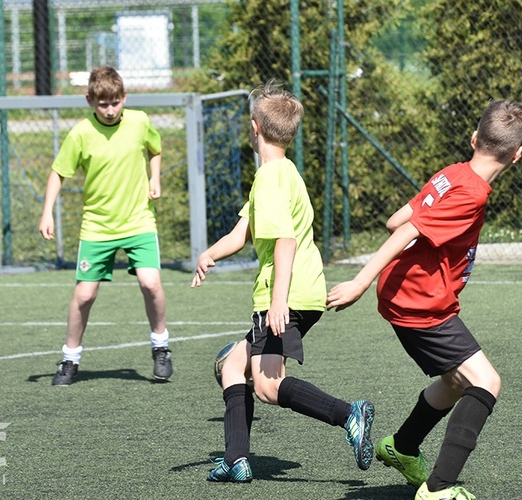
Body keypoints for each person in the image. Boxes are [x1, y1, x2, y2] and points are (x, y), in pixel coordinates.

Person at [327, 99, 522, 499]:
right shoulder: (470, 193)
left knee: (455, 382)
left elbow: (396, 220)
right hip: (420, 304)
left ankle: (401, 447)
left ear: (474, 139)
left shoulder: (452, 174)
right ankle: (439, 489)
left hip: (407, 295)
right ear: (517, 155)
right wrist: (359, 281)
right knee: (487, 381)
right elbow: (405, 233)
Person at [191, 80, 375, 483]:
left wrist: (277, 303)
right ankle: (237, 459)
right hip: (298, 291)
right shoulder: (280, 173)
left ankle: (349, 414)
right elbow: (243, 233)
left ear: (254, 127)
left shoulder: (271, 177)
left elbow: (285, 241)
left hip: (284, 295)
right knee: (233, 364)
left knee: (269, 387)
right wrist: (209, 254)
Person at [39, 66, 173, 385]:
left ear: (124, 98)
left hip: (138, 219)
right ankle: (69, 360)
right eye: (103, 104)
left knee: (150, 284)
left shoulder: (140, 121)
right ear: (89, 101)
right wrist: (47, 212)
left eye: (115, 102)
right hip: (97, 226)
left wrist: (154, 178)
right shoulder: (81, 134)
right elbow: (58, 173)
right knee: (84, 296)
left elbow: (155, 149)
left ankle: (161, 347)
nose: (110, 110)